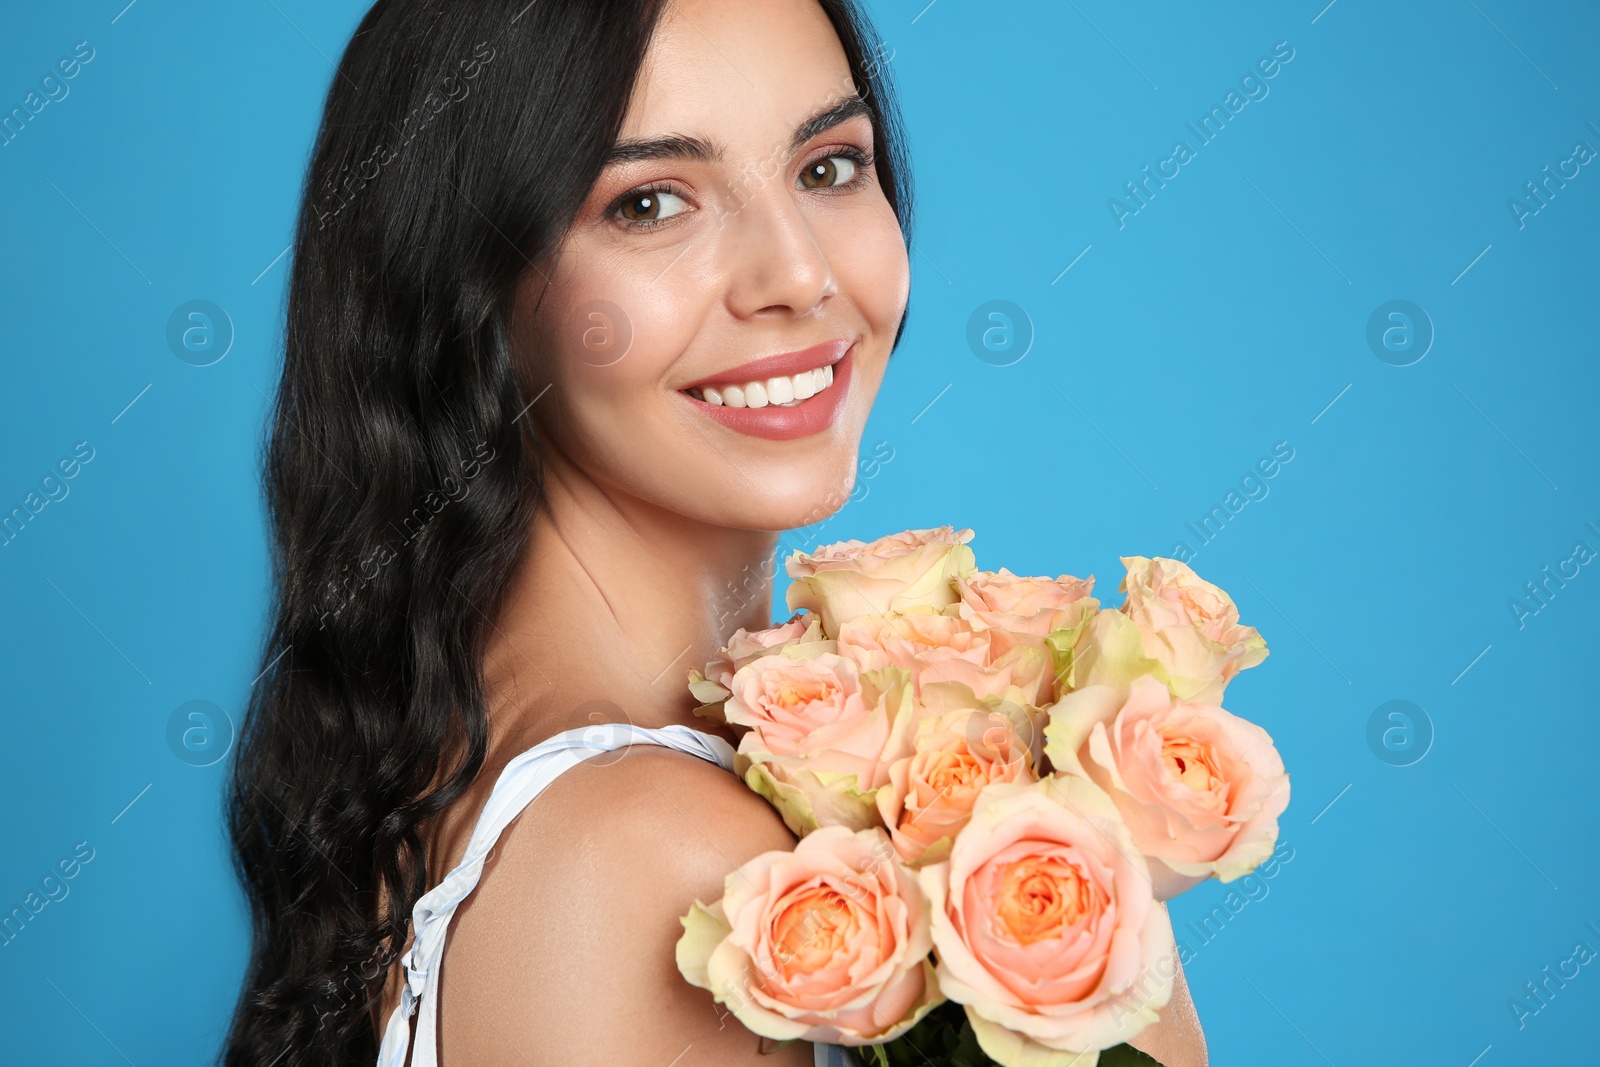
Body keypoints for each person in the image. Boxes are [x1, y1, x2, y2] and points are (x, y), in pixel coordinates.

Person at [224, 1, 1207, 1064]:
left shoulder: (469, 755)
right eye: (649, 202)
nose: (796, 274)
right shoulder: (662, 856)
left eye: (828, 167)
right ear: (466, 285)